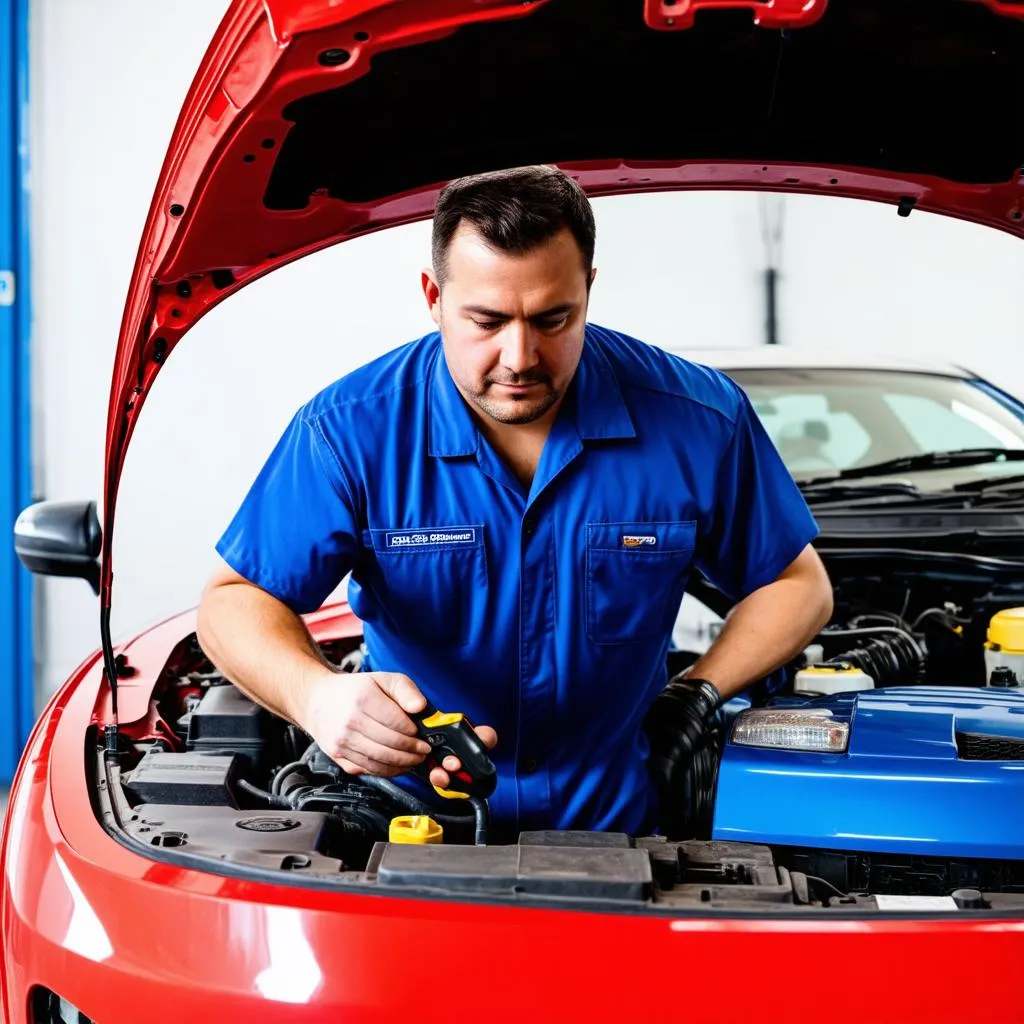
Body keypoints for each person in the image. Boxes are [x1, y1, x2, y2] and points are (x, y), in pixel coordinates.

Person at [197, 165, 833, 837]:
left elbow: (798, 585)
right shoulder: (349, 431)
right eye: (487, 320)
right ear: (433, 297)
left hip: (624, 819)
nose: (520, 356)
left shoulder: (700, 420)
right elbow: (233, 599)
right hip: (408, 820)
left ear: (588, 290)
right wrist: (316, 695)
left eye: (552, 319)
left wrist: (695, 693)